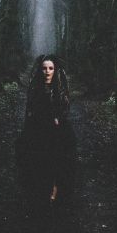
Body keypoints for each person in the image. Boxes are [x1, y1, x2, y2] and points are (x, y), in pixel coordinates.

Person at [16, 54, 77, 209]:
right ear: (40, 71)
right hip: (38, 131)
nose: (47, 71)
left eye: (50, 68)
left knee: (59, 162)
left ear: (55, 70)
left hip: (57, 133)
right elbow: (30, 112)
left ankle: (55, 190)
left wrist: (58, 118)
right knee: (38, 162)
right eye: (44, 68)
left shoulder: (60, 89)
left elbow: (64, 110)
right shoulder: (35, 89)